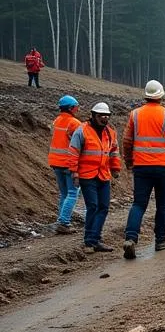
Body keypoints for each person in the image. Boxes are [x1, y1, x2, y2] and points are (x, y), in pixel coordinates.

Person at [121, 80, 165, 260]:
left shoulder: (135, 115)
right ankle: (160, 240)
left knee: (138, 203)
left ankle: (130, 238)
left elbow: (127, 141)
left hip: (141, 166)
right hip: (163, 167)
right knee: (162, 204)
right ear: (161, 96)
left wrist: (128, 161)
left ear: (146, 95)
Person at [68, 102, 121, 253]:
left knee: (103, 207)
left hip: (103, 174)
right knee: (93, 206)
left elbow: (114, 152)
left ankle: (95, 238)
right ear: (93, 116)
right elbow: (73, 152)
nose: (104, 119)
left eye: (106, 116)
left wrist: (115, 168)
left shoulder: (110, 133)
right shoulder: (82, 131)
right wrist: (74, 172)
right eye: (101, 116)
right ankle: (90, 241)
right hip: (87, 175)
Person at [49, 95, 82, 234]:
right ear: (70, 108)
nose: (78, 109)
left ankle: (61, 220)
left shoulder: (57, 120)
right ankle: (63, 222)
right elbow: (81, 143)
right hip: (69, 163)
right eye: (76, 106)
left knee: (64, 193)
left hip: (55, 162)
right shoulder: (74, 123)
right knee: (73, 193)